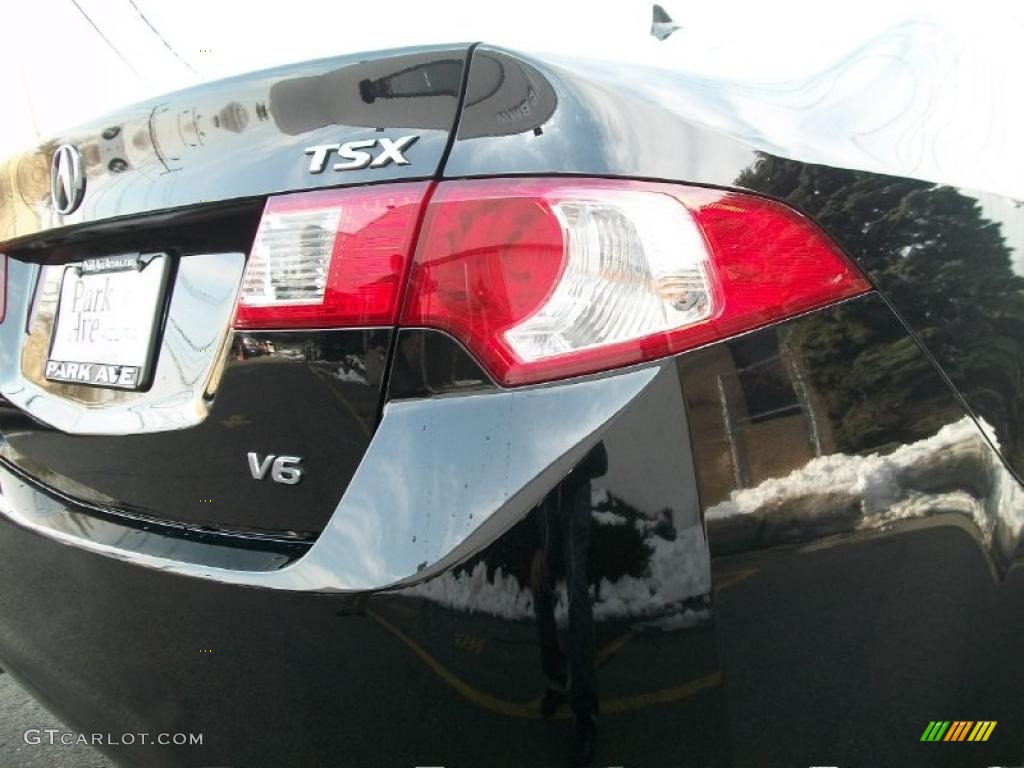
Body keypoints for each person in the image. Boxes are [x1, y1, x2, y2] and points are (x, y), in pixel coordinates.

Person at [529, 442, 607, 768]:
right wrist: (534, 548)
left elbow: (600, 462)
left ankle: (585, 712)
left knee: (577, 599)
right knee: (541, 588)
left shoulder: (575, 397)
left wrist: (568, 465)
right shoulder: (531, 415)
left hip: (573, 498)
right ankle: (555, 681)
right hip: (545, 502)